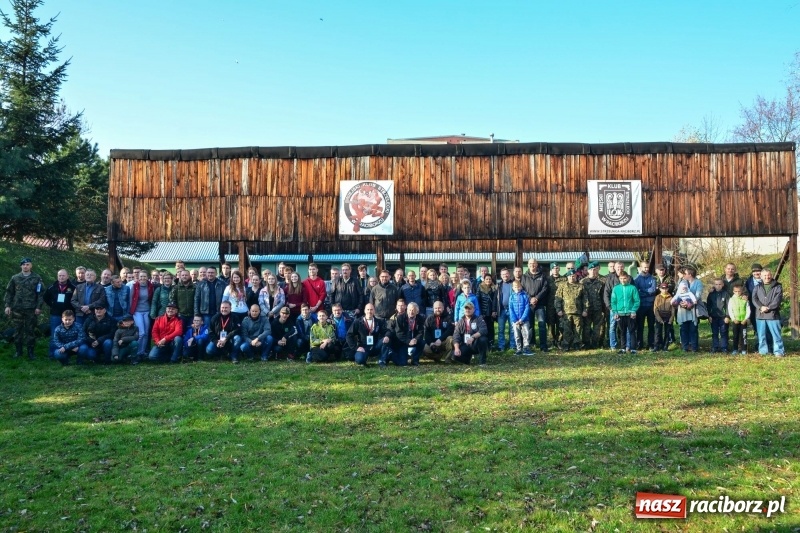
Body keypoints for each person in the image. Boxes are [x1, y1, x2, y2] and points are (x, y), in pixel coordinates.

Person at [752, 268, 785, 357]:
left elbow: (777, 300)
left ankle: (778, 352)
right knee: (761, 335)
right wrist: (760, 307)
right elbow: (754, 299)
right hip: (760, 315)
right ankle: (763, 351)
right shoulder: (757, 287)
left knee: (776, 335)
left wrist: (768, 308)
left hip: (773, 315)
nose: (767, 277)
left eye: (768, 275)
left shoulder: (778, 286)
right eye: (765, 275)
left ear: (771, 275)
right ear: (761, 276)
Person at [380, 301, 424, 367]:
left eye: (413, 310)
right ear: (407, 310)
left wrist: (416, 339)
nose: (411, 312)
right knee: (402, 363)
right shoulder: (400, 318)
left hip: (414, 340)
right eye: (409, 310)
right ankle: (390, 354)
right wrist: (408, 341)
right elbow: (399, 333)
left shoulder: (420, 318)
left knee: (422, 342)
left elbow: (421, 332)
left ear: (417, 311)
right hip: (403, 342)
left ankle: (415, 360)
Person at [555, 269, 588, 351]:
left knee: (578, 329)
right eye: (570, 276)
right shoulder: (562, 286)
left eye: (573, 276)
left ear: (576, 276)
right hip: (566, 312)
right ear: (567, 277)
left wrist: (585, 310)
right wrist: (558, 309)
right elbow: (557, 299)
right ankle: (566, 345)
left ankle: (577, 344)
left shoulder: (581, 286)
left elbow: (585, 299)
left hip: (578, 312)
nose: (571, 277)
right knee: (566, 330)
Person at [43, 269, 75, 351]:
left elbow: (76, 299)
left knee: (69, 335)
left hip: (69, 315)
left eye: (63, 275)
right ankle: (53, 354)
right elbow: (45, 298)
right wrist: (52, 305)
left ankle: (67, 353)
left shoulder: (73, 287)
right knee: (54, 334)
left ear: (67, 276)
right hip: (56, 314)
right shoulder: (52, 287)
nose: (61, 277)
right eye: (59, 275)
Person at [521, 258, 549, 352]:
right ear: (528, 265)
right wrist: (530, 298)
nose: (532, 265)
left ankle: (543, 346)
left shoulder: (542, 275)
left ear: (537, 265)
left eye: (534, 263)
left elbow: (545, 288)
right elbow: (523, 289)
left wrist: (536, 298)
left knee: (541, 325)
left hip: (539, 304)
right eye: (530, 263)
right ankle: (531, 343)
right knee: (529, 325)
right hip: (528, 304)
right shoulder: (524, 277)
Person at [611, 272, 639, 354]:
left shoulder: (632, 288)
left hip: (630, 314)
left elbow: (636, 300)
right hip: (620, 314)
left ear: (628, 278)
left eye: (624, 278)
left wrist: (633, 310)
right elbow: (613, 301)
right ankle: (623, 348)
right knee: (622, 331)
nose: (623, 280)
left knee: (632, 331)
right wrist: (615, 312)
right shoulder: (616, 289)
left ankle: (633, 349)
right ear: (619, 279)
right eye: (621, 279)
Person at [129, 270, 154, 361]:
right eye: (141, 277)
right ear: (138, 277)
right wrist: (130, 312)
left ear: (147, 277)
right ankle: (136, 353)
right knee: (141, 333)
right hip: (137, 311)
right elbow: (130, 299)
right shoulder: (134, 286)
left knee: (146, 333)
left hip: (147, 311)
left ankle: (143, 352)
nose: (143, 278)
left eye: (144, 276)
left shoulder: (150, 286)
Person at [633, 261, 657, 351]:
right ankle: (640, 344)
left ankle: (651, 344)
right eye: (644, 267)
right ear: (641, 267)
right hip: (641, 306)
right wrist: (646, 292)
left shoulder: (653, 279)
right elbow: (636, 292)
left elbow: (653, 290)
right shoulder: (636, 279)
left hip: (651, 305)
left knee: (651, 326)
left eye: (647, 267)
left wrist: (643, 291)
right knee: (640, 326)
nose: (646, 269)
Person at [580, 262, 605, 349]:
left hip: (598, 308)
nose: (593, 271)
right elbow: (580, 296)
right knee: (586, 327)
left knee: (597, 327)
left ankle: (595, 343)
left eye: (595, 269)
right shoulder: (583, 282)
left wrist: (603, 308)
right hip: (586, 309)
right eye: (591, 270)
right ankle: (586, 343)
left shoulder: (601, 282)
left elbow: (603, 296)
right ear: (588, 271)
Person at [603, 261, 626, 351]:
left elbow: (633, 292)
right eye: (618, 268)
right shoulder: (610, 279)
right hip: (614, 308)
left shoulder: (628, 278)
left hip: (625, 308)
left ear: (624, 267)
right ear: (615, 268)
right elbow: (606, 294)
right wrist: (610, 307)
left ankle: (624, 344)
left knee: (625, 327)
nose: (619, 269)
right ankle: (613, 345)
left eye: (621, 267)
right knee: (612, 326)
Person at [671, 281, 698, 352]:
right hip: (682, 315)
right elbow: (673, 301)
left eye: (685, 288)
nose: (684, 289)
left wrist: (690, 303)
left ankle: (694, 347)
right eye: (682, 288)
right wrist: (678, 303)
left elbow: (694, 300)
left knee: (693, 330)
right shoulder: (678, 295)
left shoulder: (689, 293)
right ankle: (685, 347)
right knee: (683, 331)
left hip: (691, 315)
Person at [509, 280, 533, 356]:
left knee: (526, 334)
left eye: (518, 286)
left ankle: (526, 348)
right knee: (517, 335)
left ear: (521, 287)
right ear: (513, 288)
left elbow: (527, 308)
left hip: (524, 320)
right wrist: (515, 320)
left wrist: (522, 319)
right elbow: (511, 309)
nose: (517, 288)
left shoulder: (525, 296)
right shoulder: (511, 297)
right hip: (515, 320)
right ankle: (518, 349)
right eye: (515, 287)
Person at [707, 278, 730, 353]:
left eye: (720, 284)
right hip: (713, 317)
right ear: (714, 285)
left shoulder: (726, 294)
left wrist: (727, 316)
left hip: (723, 317)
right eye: (716, 284)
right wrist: (709, 315)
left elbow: (728, 306)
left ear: (723, 285)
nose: (718, 286)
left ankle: (724, 347)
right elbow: (708, 306)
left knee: (724, 332)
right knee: (715, 333)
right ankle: (715, 347)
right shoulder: (711, 294)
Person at [727, 283, 751, 355]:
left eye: (739, 291)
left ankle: (744, 349)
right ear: (733, 291)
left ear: (742, 291)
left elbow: (748, 309)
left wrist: (746, 319)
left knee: (743, 335)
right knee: (735, 335)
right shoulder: (731, 299)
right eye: (736, 291)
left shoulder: (745, 299)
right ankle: (735, 349)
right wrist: (733, 319)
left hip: (743, 320)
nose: (737, 293)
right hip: (735, 321)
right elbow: (730, 310)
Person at [494, 268, 514, 351]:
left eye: (506, 274)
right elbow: (495, 298)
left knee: (512, 329)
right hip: (501, 310)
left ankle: (513, 345)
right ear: (501, 276)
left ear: (509, 274)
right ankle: (501, 346)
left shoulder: (513, 284)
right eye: (503, 274)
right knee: (501, 329)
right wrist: (494, 310)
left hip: (511, 310)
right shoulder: (498, 285)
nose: (505, 276)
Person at [653, 283, 675, 352]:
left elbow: (673, 309)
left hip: (668, 316)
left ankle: (665, 346)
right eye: (663, 288)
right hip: (659, 316)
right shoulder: (658, 297)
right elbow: (655, 308)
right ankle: (656, 346)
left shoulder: (671, 297)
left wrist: (671, 318)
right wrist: (659, 318)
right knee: (657, 332)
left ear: (668, 289)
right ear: (660, 289)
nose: (664, 290)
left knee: (667, 332)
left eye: (666, 288)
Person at [476, 273, 497, 347]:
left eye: (490, 279)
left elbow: (495, 300)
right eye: (487, 279)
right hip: (482, 311)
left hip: (491, 312)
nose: (488, 280)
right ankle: (483, 344)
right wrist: (480, 312)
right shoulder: (480, 287)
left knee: (491, 328)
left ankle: (491, 343)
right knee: (483, 328)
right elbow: (477, 300)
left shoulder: (494, 288)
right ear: (484, 280)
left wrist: (494, 311)